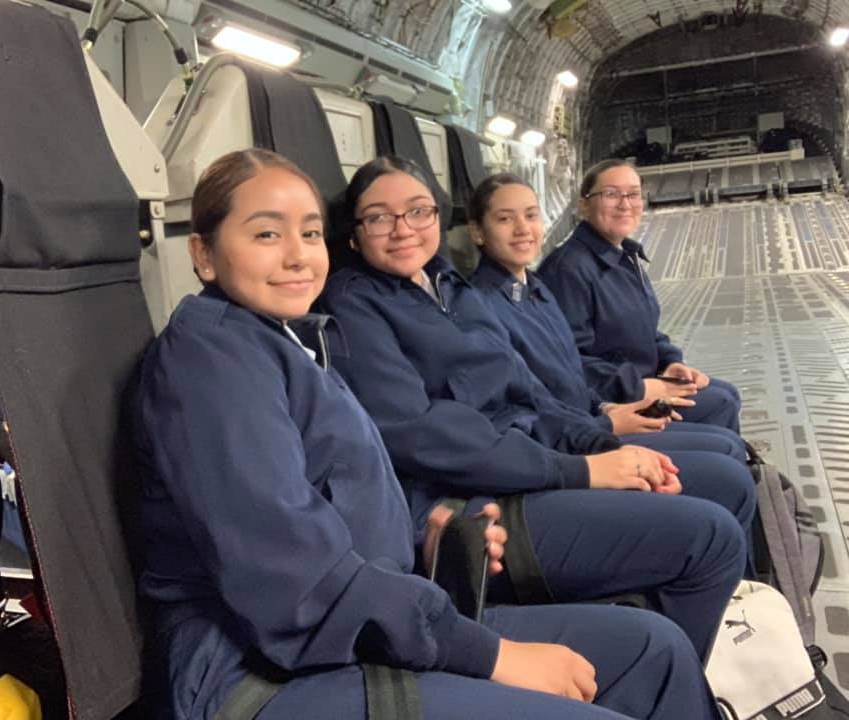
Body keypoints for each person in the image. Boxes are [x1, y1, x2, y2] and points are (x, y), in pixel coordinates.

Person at [132, 149, 724, 720]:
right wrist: (487, 654)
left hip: (367, 614)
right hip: (261, 672)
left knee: (655, 652)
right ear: (204, 255)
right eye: (266, 234)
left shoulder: (286, 340)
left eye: (309, 234)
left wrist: (422, 542)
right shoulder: (211, 360)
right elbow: (292, 581)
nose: (296, 256)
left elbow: (331, 491)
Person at [319, 155, 749, 661]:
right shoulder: (352, 306)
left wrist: (601, 442)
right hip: (476, 503)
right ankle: (666, 667)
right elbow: (425, 434)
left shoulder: (448, 286)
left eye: (418, 211)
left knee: (725, 481)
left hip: (528, 461)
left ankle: (689, 639)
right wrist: (580, 469)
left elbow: (528, 389)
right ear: (353, 232)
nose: (402, 229)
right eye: (379, 217)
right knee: (711, 538)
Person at [466, 172, 746, 461]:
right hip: (573, 441)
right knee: (723, 443)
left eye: (531, 215)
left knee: (726, 432)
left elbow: (573, 373)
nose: (523, 229)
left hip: (594, 415)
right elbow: (532, 402)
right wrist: (619, 406)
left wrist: (662, 365)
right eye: (505, 219)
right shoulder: (485, 307)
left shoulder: (535, 290)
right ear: (477, 232)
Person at [537, 159, 742, 433]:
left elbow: (645, 330)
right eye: (611, 194)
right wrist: (640, 387)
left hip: (636, 380)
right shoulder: (569, 269)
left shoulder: (624, 257)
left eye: (633, 194)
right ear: (583, 204)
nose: (625, 204)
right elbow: (568, 360)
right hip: (610, 398)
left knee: (727, 392)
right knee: (721, 403)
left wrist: (671, 362)